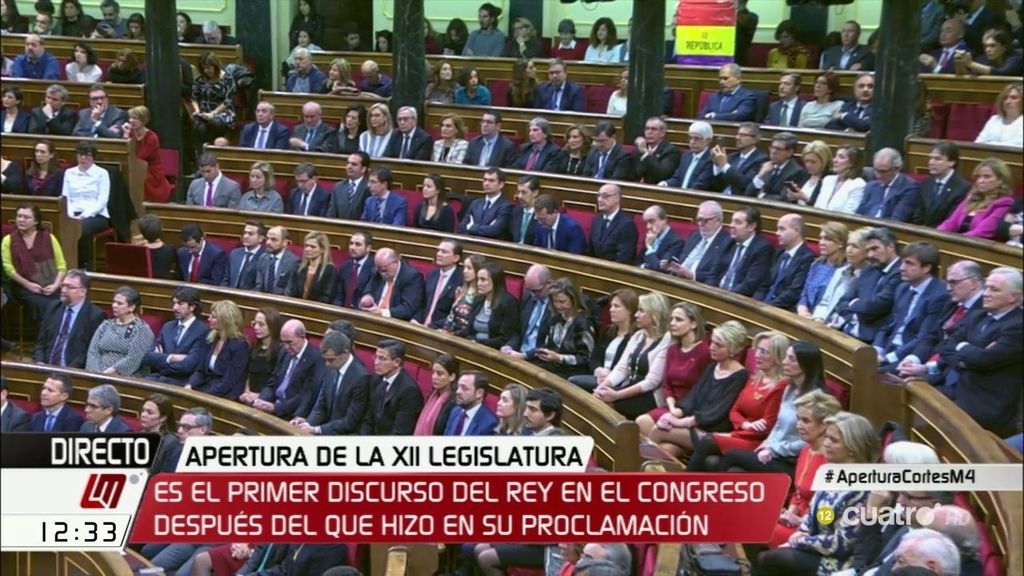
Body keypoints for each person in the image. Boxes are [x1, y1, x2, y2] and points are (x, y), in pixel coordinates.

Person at [757, 411, 879, 575]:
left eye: (833, 440)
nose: (826, 443)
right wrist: (801, 534)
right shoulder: (829, 471)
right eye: (826, 437)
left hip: (840, 561)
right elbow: (812, 518)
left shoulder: (862, 490)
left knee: (773, 558)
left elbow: (841, 545)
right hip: (815, 545)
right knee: (759, 542)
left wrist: (799, 541)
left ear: (853, 448)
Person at [720, 347, 831, 478]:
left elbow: (811, 441)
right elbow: (778, 425)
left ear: (805, 366)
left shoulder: (817, 399)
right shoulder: (789, 388)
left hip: (793, 460)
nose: (784, 362)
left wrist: (774, 449)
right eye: (786, 357)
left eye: (791, 359)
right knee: (735, 471)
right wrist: (767, 444)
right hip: (773, 451)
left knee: (732, 455)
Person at [688, 331, 791, 471]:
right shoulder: (756, 378)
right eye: (757, 350)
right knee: (711, 461)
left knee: (707, 442)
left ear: (778, 356)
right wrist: (746, 424)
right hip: (742, 434)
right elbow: (734, 411)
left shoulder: (781, 385)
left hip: (756, 442)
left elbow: (766, 427)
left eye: (764, 352)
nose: (757, 355)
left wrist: (733, 434)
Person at [647, 320, 749, 458]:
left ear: (733, 350)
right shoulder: (712, 367)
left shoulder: (740, 376)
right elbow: (693, 398)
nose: (712, 347)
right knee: (667, 450)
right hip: (693, 425)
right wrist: (675, 413)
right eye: (712, 342)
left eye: (719, 345)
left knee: (658, 431)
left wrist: (680, 422)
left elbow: (718, 412)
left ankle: (632, 473)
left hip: (711, 431)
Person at [633, 302, 711, 437]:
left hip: (691, 410)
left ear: (694, 324)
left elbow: (703, 390)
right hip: (671, 407)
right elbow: (666, 384)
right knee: (641, 422)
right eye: (671, 319)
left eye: (679, 320)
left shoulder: (704, 352)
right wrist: (672, 407)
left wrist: (679, 411)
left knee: (663, 444)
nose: (673, 323)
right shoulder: (672, 349)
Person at [593, 292, 671, 420]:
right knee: (597, 396)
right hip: (628, 388)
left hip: (650, 396)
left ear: (654, 313)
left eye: (641, 311)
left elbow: (652, 382)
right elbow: (622, 368)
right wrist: (604, 385)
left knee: (605, 404)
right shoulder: (638, 335)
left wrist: (617, 395)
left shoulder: (667, 340)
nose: (636, 315)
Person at [2, 203, 66, 319]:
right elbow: (9, 269)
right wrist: (28, 285)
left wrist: (55, 285)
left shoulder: (49, 237)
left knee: (61, 301)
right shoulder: (8, 240)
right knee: (43, 304)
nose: (21, 220)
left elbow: (61, 266)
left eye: (26, 217)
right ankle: (44, 335)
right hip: (23, 285)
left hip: (51, 284)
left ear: (36, 221)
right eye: (19, 216)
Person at [519, 278, 594, 378]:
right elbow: (547, 346)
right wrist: (529, 355)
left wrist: (559, 357)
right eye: (555, 301)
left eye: (562, 302)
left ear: (573, 300)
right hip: (554, 366)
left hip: (572, 371)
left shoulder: (584, 323)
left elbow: (585, 358)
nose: (558, 306)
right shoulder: (556, 318)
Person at [32, 269, 106, 368]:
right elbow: (41, 342)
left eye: (69, 287)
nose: (63, 290)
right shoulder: (53, 308)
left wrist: (69, 371)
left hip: (73, 371)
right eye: (63, 285)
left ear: (82, 292)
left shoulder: (95, 315)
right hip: (46, 367)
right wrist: (39, 362)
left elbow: (90, 352)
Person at [143, 287, 209, 385]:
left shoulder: (202, 330)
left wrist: (161, 358)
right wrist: (171, 357)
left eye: (180, 304)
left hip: (181, 382)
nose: (175, 308)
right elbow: (148, 357)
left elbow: (189, 365)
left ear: (192, 307)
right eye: (174, 303)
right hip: (159, 378)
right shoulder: (168, 326)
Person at [61, 140, 109, 270]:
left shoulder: (102, 173)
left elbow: (102, 201)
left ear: (93, 157)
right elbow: (66, 198)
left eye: (87, 155)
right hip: (73, 212)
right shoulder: (69, 173)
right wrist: (70, 215)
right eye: (80, 154)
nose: (83, 158)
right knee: (63, 225)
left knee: (83, 228)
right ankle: (66, 263)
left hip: (96, 215)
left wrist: (84, 215)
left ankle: (84, 265)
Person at [187, 300, 249, 400]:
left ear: (226, 320)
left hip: (225, 395)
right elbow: (200, 370)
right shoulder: (211, 338)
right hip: (206, 388)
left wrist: (205, 395)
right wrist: (190, 385)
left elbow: (229, 382)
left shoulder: (240, 345)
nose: (209, 318)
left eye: (213, 317)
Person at [937, 158, 1015, 239]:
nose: (980, 181)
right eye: (978, 177)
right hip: (958, 242)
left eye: (987, 177)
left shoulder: (1004, 203)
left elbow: (982, 232)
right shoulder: (971, 198)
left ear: (1000, 180)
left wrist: (954, 240)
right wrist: (935, 234)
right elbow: (951, 223)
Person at [85, 285, 153, 377]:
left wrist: (109, 374)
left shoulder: (142, 329)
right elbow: (93, 352)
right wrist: (96, 372)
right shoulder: (105, 325)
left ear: (131, 307)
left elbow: (133, 359)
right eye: (114, 302)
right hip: (97, 374)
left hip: (126, 378)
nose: (114, 306)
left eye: (119, 303)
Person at [756, 214, 816, 312]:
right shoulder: (779, 252)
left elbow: (794, 292)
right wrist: (755, 302)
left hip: (782, 311)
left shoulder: (807, 257)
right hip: (763, 306)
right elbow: (764, 283)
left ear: (796, 231)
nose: (777, 233)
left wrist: (766, 307)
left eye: (782, 229)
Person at [365, 339, 424, 435]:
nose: (376, 362)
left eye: (382, 359)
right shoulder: (376, 379)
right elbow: (368, 418)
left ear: (396, 362)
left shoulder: (410, 392)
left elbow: (400, 433)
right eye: (376, 357)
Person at [913, 141, 972, 227]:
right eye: (930, 158)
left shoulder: (962, 188)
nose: (931, 162)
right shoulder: (926, 183)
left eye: (937, 159)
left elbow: (952, 220)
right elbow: (918, 214)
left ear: (951, 162)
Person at [797, 223, 849, 319]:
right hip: (805, 316)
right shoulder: (816, 264)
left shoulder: (846, 270)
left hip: (824, 320)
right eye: (821, 238)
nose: (821, 242)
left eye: (827, 239)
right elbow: (805, 293)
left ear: (840, 243)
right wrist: (802, 309)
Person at [121, 106, 172, 203]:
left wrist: (128, 139)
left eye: (135, 118)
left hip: (150, 173)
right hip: (134, 168)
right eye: (130, 118)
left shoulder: (152, 138)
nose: (131, 121)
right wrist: (125, 137)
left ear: (143, 120)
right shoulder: (130, 133)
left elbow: (139, 157)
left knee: (136, 178)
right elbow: (125, 153)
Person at [189, 52, 235, 155]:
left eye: (209, 68)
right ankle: (201, 158)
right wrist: (197, 111)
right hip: (204, 112)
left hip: (223, 112)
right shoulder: (200, 79)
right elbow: (194, 98)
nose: (206, 71)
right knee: (199, 127)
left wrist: (213, 114)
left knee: (215, 123)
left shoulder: (227, 79)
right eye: (204, 68)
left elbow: (227, 101)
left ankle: (217, 155)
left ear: (215, 66)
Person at [360, 247, 425, 321]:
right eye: (379, 269)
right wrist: (367, 296)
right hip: (373, 317)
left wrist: (381, 312)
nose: (382, 274)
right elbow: (368, 290)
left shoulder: (412, 277)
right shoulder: (378, 270)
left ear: (396, 262)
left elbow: (408, 308)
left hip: (395, 322)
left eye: (385, 270)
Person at [855, 148, 920, 222]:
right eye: (875, 170)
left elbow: (897, 220)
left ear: (897, 169)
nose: (878, 176)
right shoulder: (871, 186)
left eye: (883, 171)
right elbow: (858, 214)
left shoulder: (909, 188)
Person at [467, 262, 520, 350]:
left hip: (493, 351)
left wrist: (479, 343)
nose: (479, 283)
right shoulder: (478, 300)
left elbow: (505, 338)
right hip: (474, 347)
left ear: (495, 281)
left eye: (483, 280)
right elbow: (469, 331)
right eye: (478, 279)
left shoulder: (508, 303)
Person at [745, 132, 809, 201]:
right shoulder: (765, 166)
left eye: (778, 149)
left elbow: (784, 198)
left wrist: (761, 195)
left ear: (789, 152)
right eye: (772, 147)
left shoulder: (797, 172)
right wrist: (760, 175)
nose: (773, 152)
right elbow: (748, 193)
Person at [457, 167, 513, 239]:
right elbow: (461, 228)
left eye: (491, 181)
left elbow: (494, 230)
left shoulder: (506, 206)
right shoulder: (475, 203)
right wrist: (486, 228)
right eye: (485, 180)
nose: (486, 183)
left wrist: (471, 227)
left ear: (501, 184)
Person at [589, 183, 638, 264]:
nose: (599, 199)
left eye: (605, 196)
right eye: (598, 196)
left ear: (617, 198)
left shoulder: (627, 225)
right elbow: (590, 250)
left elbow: (624, 259)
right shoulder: (597, 219)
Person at [443, 254, 486, 338]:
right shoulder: (461, 289)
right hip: (448, 334)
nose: (464, 271)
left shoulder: (482, 296)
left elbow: (470, 325)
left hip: (463, 338)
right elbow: (451, 315)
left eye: (469, 268)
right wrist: (445, 330)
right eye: (464, 267)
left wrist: (452, 335)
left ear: (478, 270)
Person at [813, 145, 865, 214]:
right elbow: (817, 206)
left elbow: (849, 214)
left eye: (841, 157)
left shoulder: (858, 185)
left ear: (852, 163)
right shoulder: (827, 180)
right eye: (835, 156)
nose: (834, 160)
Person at [445, 371, 499, 436]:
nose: (458, 392)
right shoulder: (455, 411)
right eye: (458, 387)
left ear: (479, 393)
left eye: (464, 388)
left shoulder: (489, 423)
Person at [245, 306, 283, 397]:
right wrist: (247, 391)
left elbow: (276, 382)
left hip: (265, 398)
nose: (256, 327)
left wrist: (258, 396)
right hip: (249, 395)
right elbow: (248, 374)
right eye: (255, 323)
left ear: (273, 326)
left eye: (261, 324)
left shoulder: (280, 351)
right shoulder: (254, 347)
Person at [632, 117, 681, 184]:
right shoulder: (639, 148)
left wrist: (646, 154)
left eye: (654, 129)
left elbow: (661, 174)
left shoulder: (671, 151)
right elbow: (634, 173)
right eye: (647, 129)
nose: (649, 132)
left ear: (662, 133)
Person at [957, 28, 1024, 76]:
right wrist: (960, 63)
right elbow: (971, 74)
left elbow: (1003, 73)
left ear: (1004, 47)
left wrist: (971, 64)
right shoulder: (982, 59)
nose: (987, 50)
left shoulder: (1016, 58)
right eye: (986, 46)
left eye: (992, 46)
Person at [975, 82, 1022, 148]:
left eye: (1014, 98)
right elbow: (978, 143)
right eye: (1005, 98)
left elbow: (1020, 147)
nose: (1008, 101)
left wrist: (992, 143)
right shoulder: (994, 120)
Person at [327, 152, 370, 220]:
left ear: (363, 169)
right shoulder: (338, 187)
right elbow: (331, 214)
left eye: (354, 164)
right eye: (348, 163)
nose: (349, 167)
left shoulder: (369, 188)